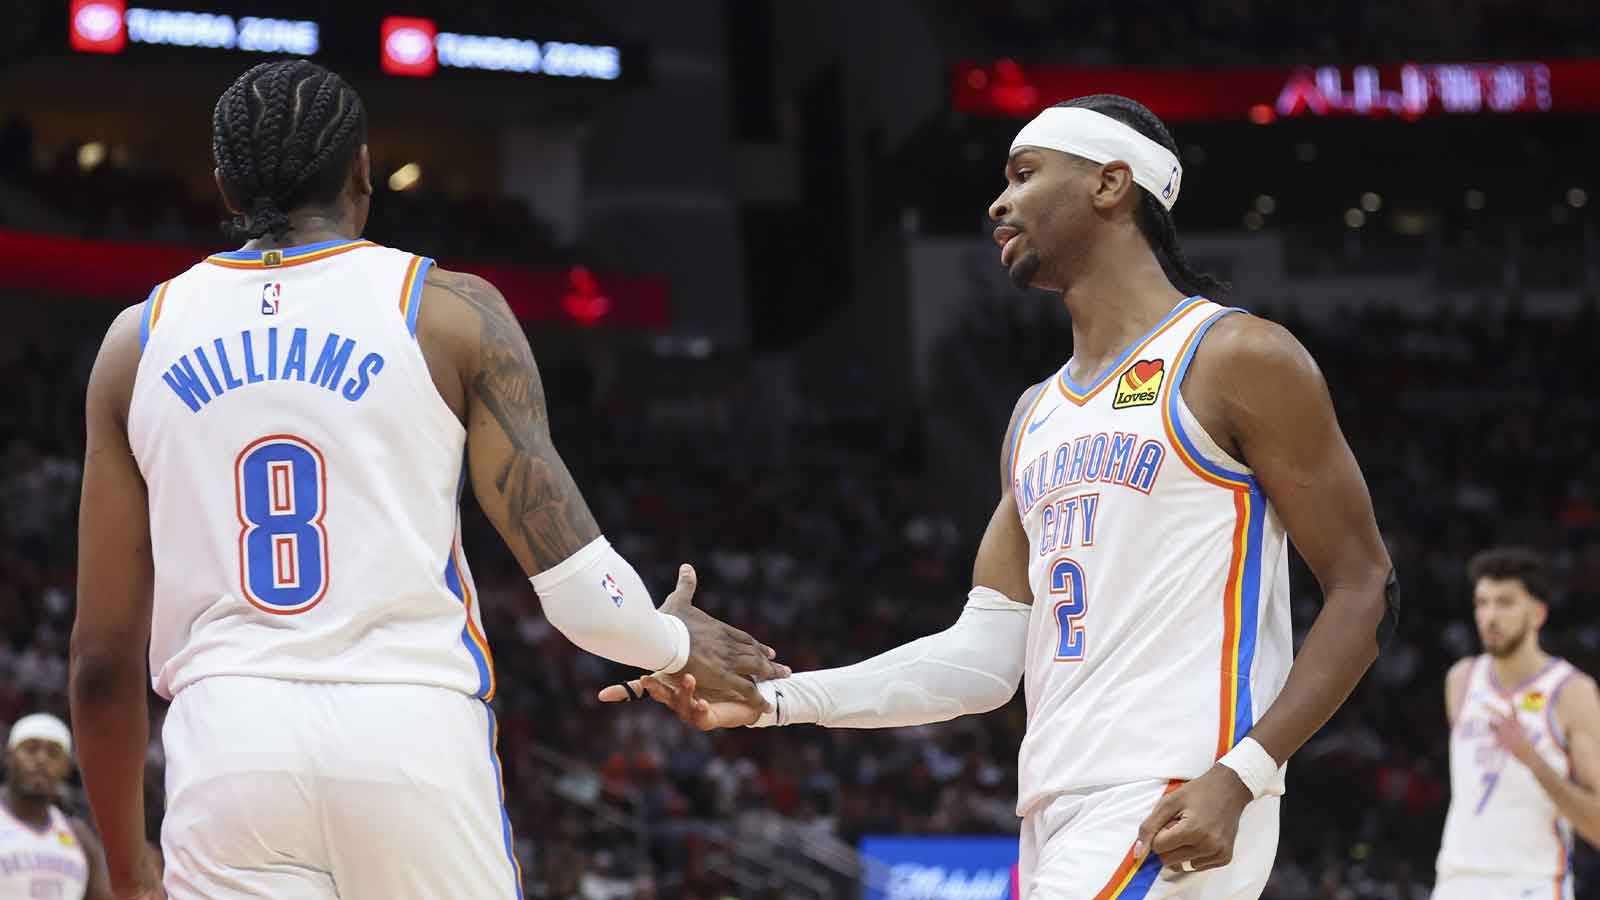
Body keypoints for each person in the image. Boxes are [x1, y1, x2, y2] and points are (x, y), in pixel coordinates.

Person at [605, 93, 1397, 899]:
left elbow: (1364, 585)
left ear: (1111, 184)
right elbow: (983, 659)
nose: (998, 201)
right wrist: (775, 701)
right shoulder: (1035, 416)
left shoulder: (1235, 355)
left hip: (1175, 792)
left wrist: (1243, 774)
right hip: (1054, 802)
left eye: (1024, 175)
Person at [67, 59, 783, 900]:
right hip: (408, 730)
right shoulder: (450, 310)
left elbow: (102, 663)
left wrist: (126, 869)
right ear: (364, 170)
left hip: (229, 744)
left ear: (223, 184)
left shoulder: (135, 343)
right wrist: (672, 642)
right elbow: (580, 592)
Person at [1433, 547, 1600, 900]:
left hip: (1532, 882)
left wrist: (1533, 760)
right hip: (1457, 880)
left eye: (1505, 602)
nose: (1489, 616)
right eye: (1482, 603)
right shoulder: (1461, 680)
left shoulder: (1571, 691)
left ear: (1538, 613)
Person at [1, 713, 112, 900]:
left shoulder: (80, 836)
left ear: (66, 767)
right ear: (9, 757)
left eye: (53, 753)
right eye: (30, 749)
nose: (41, 760)